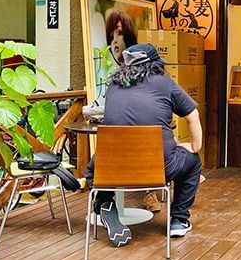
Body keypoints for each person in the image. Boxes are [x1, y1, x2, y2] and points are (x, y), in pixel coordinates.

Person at [86, 43, 202, 247]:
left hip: (112, 170)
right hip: (158, 169)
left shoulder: (113, 85)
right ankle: (178, 220)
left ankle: (104, 201)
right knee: (193, 162)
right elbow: (193, 115)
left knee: (93, 169)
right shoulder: (165, 84)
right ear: (156, 64)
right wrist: (194, 146)